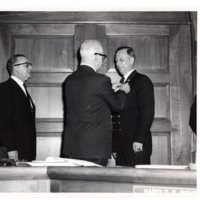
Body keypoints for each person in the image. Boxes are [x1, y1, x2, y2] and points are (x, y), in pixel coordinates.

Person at [62, 40, 130, 166]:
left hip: (71, 148)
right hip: (93, 149)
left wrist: (109, 91)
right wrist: (122, 92)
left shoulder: (69, 80)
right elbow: (118, 106)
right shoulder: (101, 80)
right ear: (97, 56)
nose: (102, 60)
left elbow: (89, 99)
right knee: (93, 185)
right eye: (102, 57)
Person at [112, 46, 155, 166]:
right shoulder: (119, 84)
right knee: (122, 182)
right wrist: (115, 144)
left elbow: (147, 112)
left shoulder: (142, 81)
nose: (118, 64)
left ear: (131, 60)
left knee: (138, 181)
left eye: (121, 60)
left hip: (136, 144)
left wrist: (139, 139)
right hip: (121, 145)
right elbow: (117, 116)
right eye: (116, 61)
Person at [0, 54, 36, 161]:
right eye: (26, 65)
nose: (30, 68)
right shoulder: (5, 89)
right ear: (15, 68)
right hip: (14, 151)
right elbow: (3, 122)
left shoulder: (22, 88)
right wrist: (10, 148)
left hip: (26, 150)